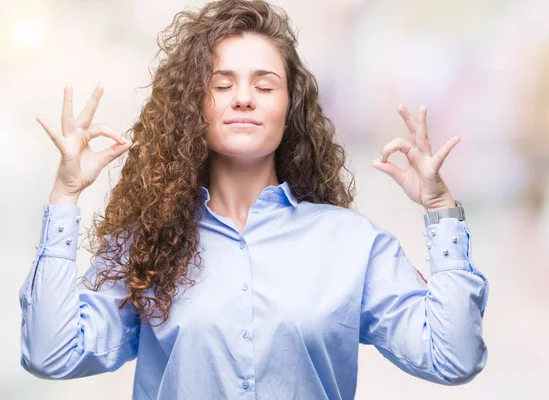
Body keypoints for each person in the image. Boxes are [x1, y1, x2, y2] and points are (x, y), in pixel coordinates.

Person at [18, 0, 489, 398]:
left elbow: (453, 359)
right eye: (222, 85)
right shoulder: (146, 245)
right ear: (193, 106)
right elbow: (51, 354)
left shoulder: (351, 243)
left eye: (264, 86)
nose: (243, 98)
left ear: (290, 107)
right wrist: (65, 197)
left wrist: (441, 210)